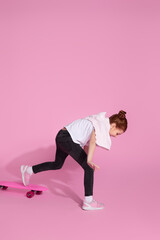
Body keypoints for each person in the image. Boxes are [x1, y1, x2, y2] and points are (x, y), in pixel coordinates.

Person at [21, 110, 128, 210]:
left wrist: (86, 160)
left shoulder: (98, 123)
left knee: (57, 164)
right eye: (117, 133)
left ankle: (28, 170)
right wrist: (88, 161)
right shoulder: (100, 125)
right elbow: (92, 142)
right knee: (89, 169)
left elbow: (86, 146)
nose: (116, 136)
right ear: (113, 126)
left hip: (61, 136)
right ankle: (88, 201)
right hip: (67, 139)